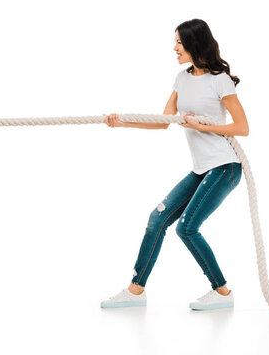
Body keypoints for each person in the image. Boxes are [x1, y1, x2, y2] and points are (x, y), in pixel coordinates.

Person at [101, 19, 249, 311]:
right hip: (201, 169)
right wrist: (123, 123)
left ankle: (222, 292)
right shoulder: (181, 79)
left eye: (179, 43)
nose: (175, 48)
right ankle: (135, 290)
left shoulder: (220, 80)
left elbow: (243, 127)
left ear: (195, 43)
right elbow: (163, 122)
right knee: (157, 220)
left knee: (187, 227)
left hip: (225, 167)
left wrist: (202, 126)